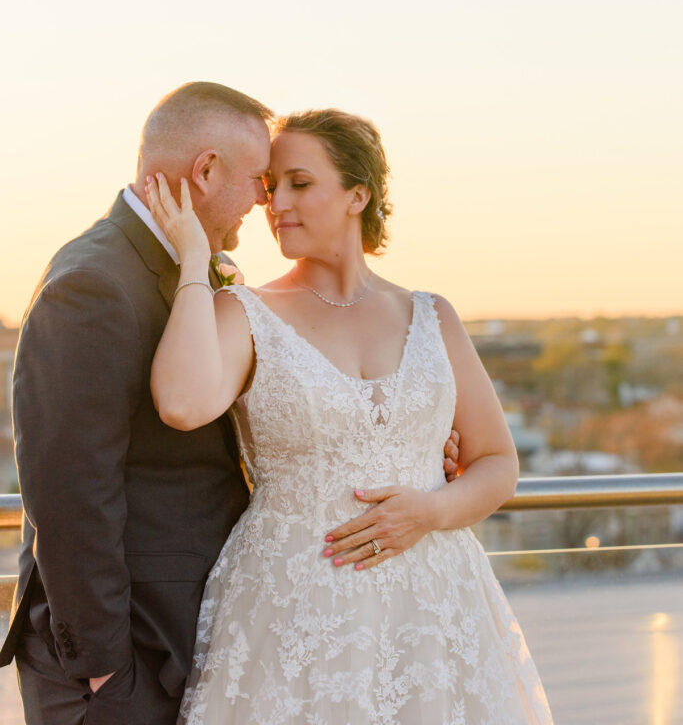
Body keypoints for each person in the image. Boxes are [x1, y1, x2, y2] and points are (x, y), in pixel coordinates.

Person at [146, 108, 554, 725]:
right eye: (270, 186)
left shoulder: (433, 315)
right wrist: (192, 268)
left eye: (299, 184)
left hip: (436, 607)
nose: (275, 202)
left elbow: (498, 462)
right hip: (296, 613)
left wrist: (433, 510)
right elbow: (180, 404)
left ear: (357, 194)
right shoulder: (245, 310)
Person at [0, 82, 273, 725]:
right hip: (123, 665)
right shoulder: (95, 283)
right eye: (258, 179)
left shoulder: (193, 266)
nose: (265, 199)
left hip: (179, 643)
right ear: (205, 170)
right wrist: (102, 670)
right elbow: (68, 492)